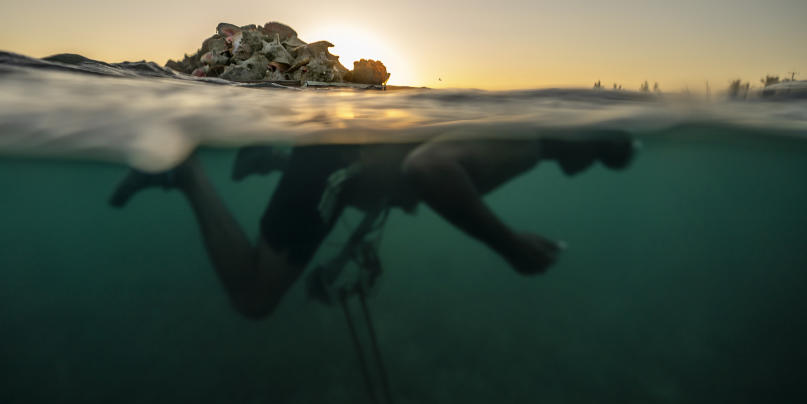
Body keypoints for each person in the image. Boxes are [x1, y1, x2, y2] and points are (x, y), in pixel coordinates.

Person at [110, 132, 635, 319]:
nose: (594, 163)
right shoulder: (524, 144)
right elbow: (427, 169)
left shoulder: (528, 143)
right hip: (336, 166)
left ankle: (274, 158)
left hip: (342, 164)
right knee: (254, 298)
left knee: (347, 179)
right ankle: (187, 170)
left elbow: (405, 169)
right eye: (602, 150)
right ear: (584, 138)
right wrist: (510, 246)